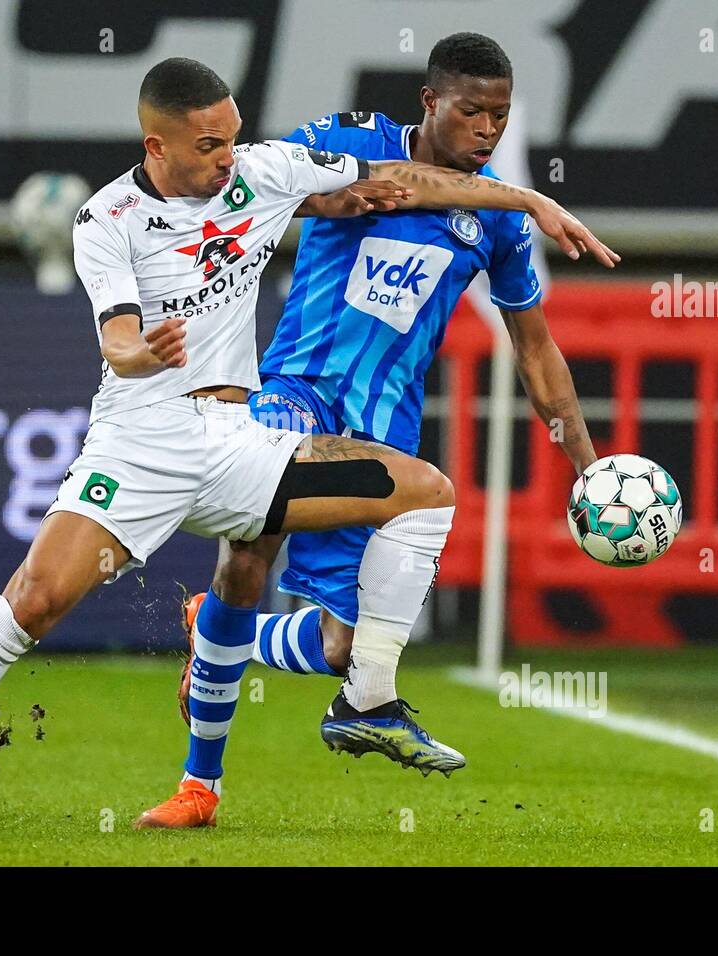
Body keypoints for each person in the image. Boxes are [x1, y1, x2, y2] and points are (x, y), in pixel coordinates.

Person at [0, 56, 615, 830]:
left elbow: (404, 181)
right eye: (209, 146)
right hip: (143, 441)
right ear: (157, 147)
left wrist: (528, 201)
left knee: (426, 495)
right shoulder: (106, 219)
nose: (227, 160)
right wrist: (141, 353)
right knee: (32, 604)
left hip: (241, 445)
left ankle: (365, 697)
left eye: (232, 138)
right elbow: (116, 339)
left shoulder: (264, 173)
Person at [173, 33, 602, 779]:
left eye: (499, 116)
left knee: (344, 647)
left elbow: (535, 351)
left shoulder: (495, 217)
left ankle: (218, 633)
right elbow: (244, 184)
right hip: (296, 391)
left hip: (383, 427)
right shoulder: (345, 141)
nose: (488, 130)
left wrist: (587, 466)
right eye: (472, 112)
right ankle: (199, 780)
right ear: (431, 101)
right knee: (249, 549)